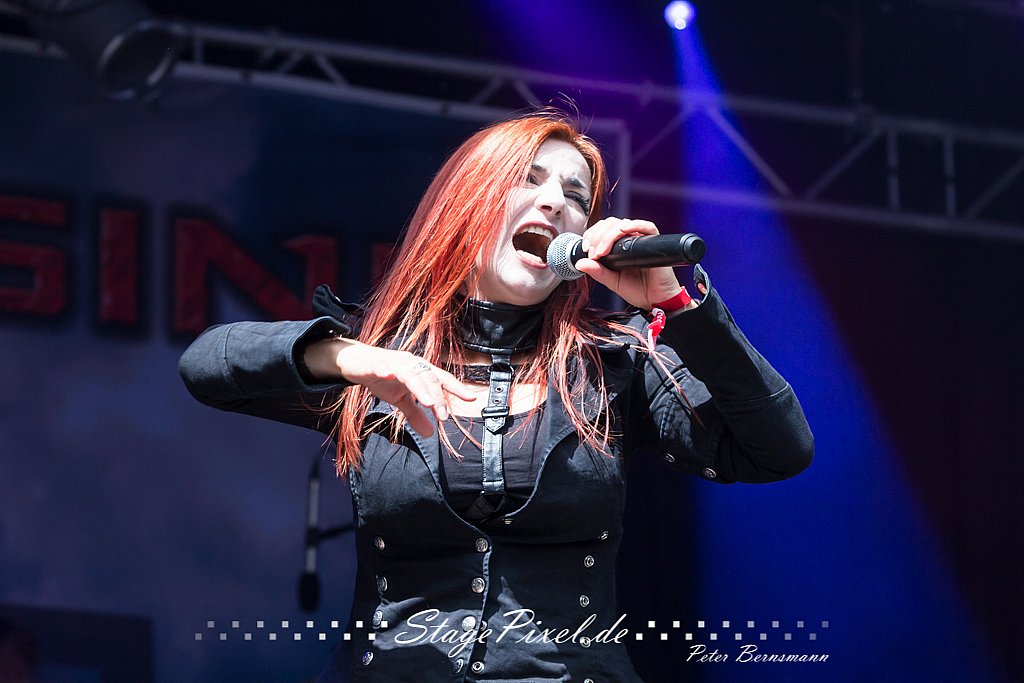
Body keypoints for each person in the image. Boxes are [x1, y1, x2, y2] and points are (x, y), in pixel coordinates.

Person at [179, 111, 813, 682]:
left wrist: (678, 306)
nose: (555, 203)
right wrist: (350, 357)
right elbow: (207, 364)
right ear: (468, 203)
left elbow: (778, 449)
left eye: (576, 197)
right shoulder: (377, 363)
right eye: (527, 180)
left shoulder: (615, 364)